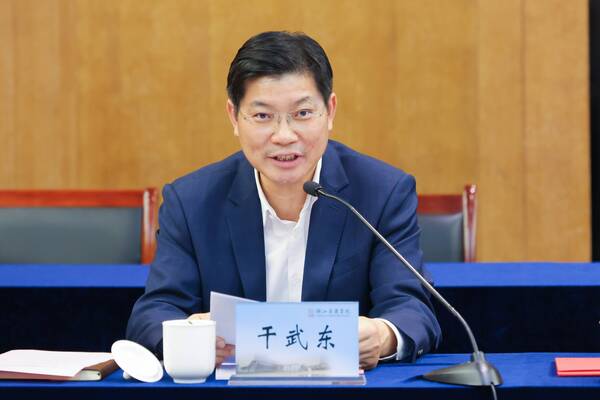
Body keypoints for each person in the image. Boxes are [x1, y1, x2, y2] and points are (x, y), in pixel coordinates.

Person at [127, 31, 441, 370]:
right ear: (234, 117)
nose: (284, 135)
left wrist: (382, 335)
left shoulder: (382, 192)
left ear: (330, 111)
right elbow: (153, 314)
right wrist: (188, 334)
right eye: (263, 116)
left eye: (302, 113)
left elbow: (412, 310)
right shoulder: (191, 202)